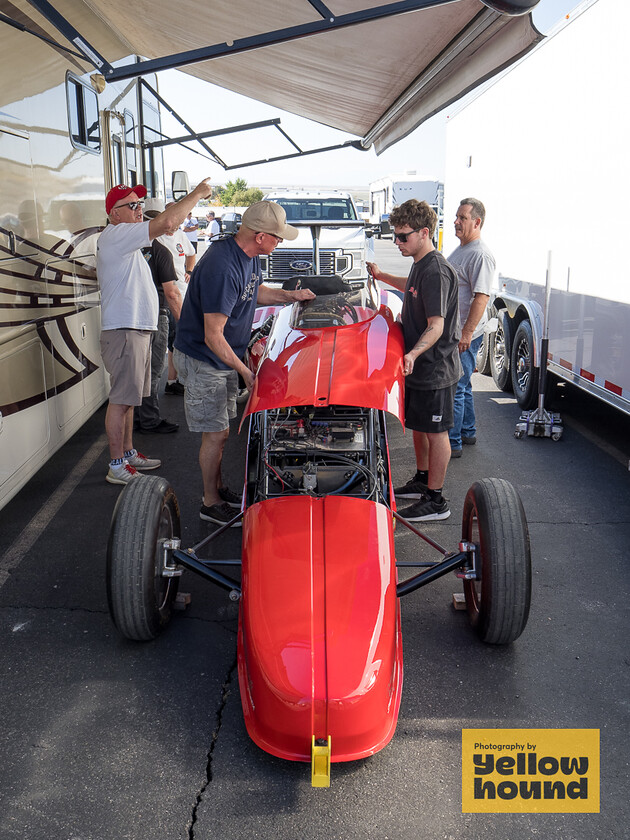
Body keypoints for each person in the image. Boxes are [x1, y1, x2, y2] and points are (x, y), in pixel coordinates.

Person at [174, 200, 316, 525]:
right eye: (278, 237)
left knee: (221, 432)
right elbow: (213, 335)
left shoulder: (248, 258)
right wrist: (246, 372)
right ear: (261, 236)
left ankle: (219, 489)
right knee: (215, 433)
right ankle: (210, 503)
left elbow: (253, 293)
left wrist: (291, 296)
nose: (280, 243)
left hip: (221, 356)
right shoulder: (222, 266)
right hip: (205, 358)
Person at [97, 177, 212, 485]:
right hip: (125, 329)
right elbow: (169, 221)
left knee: (131, 399)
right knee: (121, 400)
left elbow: (168, 226)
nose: (139, 210)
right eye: (131, 205)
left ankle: (129, 452)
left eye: (140, 204)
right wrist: (198, 193)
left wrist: (170, 223)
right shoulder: (118, 234)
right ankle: (116, 463)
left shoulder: (126, 238)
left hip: (135, 328)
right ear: (114, 214)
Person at [367, 199, 460, 521]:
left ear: (424, 233)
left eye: (403, 237)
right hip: (419, 366)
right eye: (395, 236)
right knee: (419, 427)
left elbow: (437, 325)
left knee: (436, 433)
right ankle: (422, 480)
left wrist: (414, 352)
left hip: (435, 367)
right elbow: (410, 289)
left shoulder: (436, 270)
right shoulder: (421, 264)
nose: (397, 242)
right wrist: (381, 276)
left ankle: (436, 500)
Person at [448, 198, 495, 457]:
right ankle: (467, 431)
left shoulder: (480, 254)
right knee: (463, 384)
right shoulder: (463, 249)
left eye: (462, 218)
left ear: (476, 222)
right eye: (456, 216)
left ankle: (452, 443)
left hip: (464, 333)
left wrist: (466, 333)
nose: (456, 221)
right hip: (460, 331)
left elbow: (481, 297)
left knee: (455, 385)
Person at [133, 199, 184, 435]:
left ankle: (135, 416)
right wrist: (184, 325)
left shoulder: (129, 249)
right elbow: (172, 293)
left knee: (135, 372)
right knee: (153, 371)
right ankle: (150, 419)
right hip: (156, 315)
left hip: (130, 317)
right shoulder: (161, 251)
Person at [155, 201, 196, 395]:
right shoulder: (157, 238)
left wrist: (189, 270)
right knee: (175, 337)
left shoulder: (181, 235)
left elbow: (191, 254)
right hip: (168, 296)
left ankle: (174, 380)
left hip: (182, 293)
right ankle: (172, 381)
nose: (179, 223)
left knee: (176, 339)